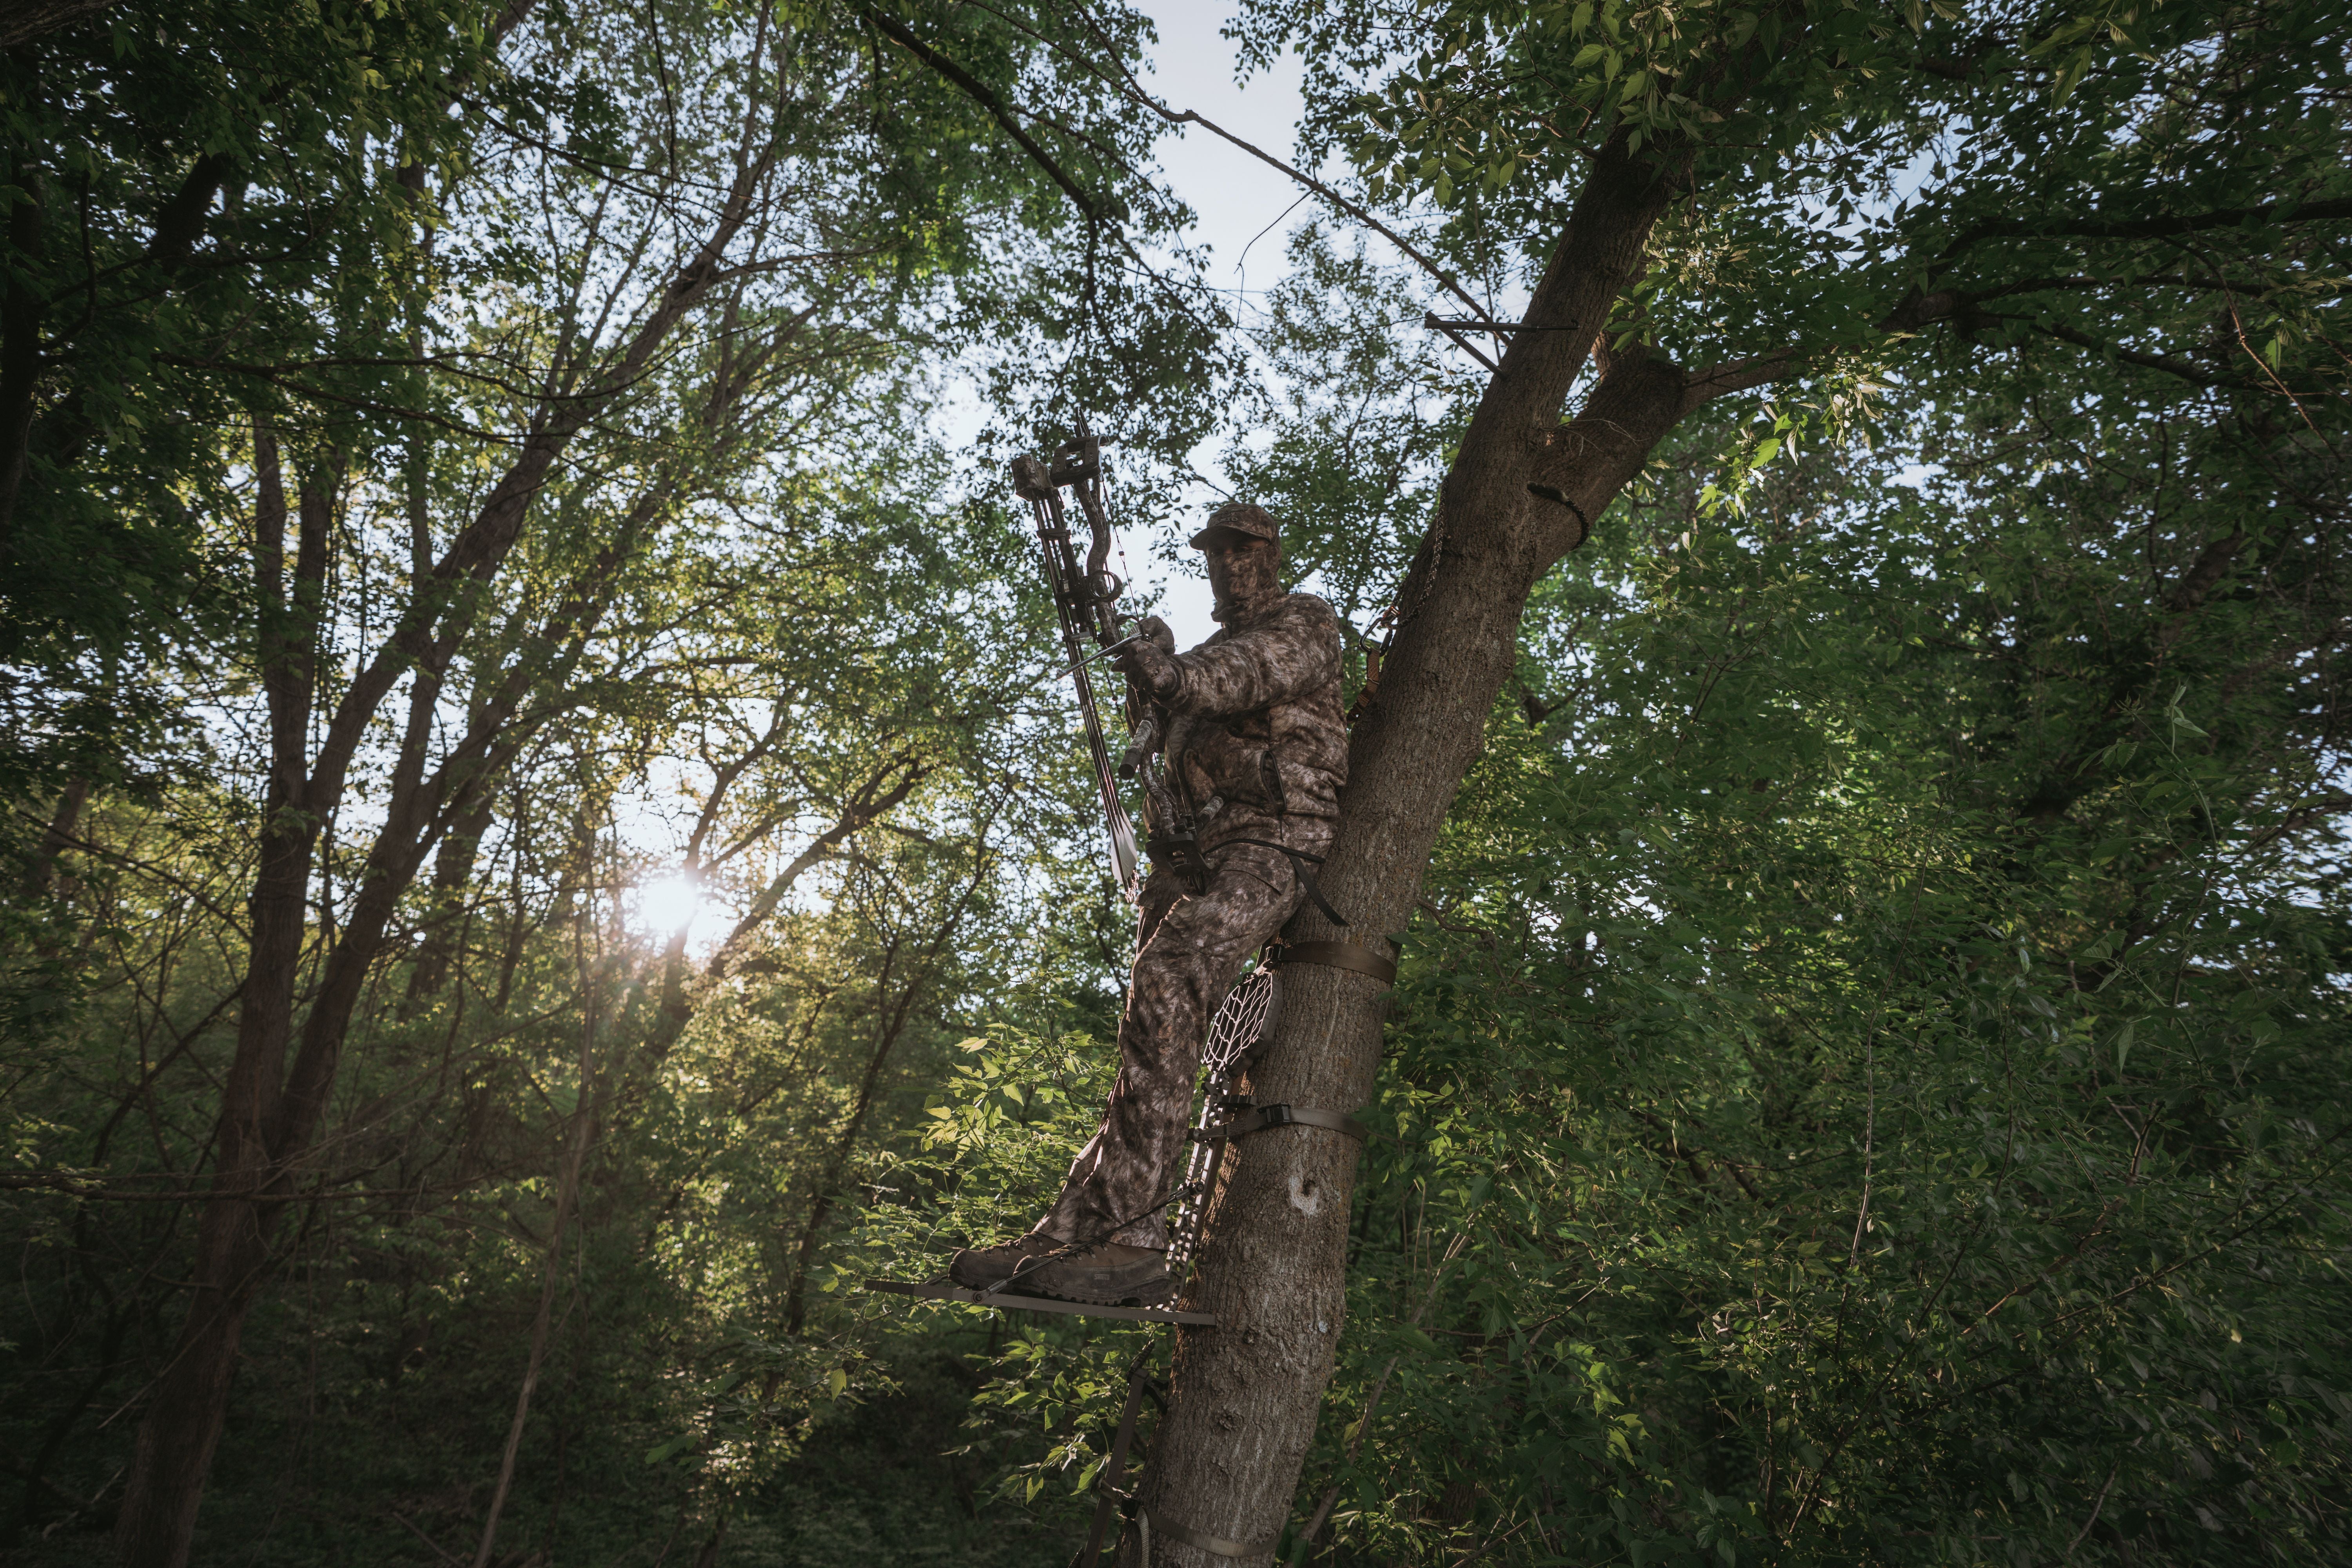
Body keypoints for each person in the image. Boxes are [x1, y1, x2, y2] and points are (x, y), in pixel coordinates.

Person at [949, 502, 1348, 1305]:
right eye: (1217, 551)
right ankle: (1074, 1229)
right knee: (1151, 1024)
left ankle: (1133, 1241)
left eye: (1244, 549)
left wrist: (1173, 675)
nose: (1229, 564)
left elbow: (1243, 674)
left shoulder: (1303, 622)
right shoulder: (1206, 652)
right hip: (1195, 850)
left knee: (1169, 973)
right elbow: (1170, 712)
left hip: (1273, 839)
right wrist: (1151, 671)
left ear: (1272, 555)